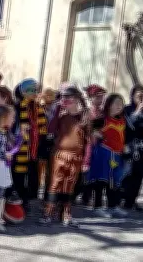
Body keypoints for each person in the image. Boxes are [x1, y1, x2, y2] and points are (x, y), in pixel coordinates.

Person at [39, 85, 92, 227]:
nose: (65, 100)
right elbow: (51, 130)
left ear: (76, 99)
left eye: (68, 98)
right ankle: (48, 212)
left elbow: (88, 141)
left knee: (69, 184)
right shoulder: (61, 114)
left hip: (76, 156)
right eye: (62, 97)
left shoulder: (85, 116)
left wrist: (86, 160)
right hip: (60, 154)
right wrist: (57, 111)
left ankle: (66, 213)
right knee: (55, 183)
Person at [86, 93, 127, 218]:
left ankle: (113, 206)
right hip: (104, 154)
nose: (119, 106)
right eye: (116, 103)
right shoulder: (102, 120)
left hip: (117, 156)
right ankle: (97, 206)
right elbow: (88, 128)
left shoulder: (123, 121)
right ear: (108, 105)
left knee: (114, 182)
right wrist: (95, 134)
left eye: (121, 104)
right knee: (101, 181)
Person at [12, 78, 47, 209]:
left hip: (34, 147)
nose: (34, 93)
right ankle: (19, 198)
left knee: (32, 174)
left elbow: (43, 127)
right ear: (23, 91)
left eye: (36, 90)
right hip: (19, 147)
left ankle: (27, 198)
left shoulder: (38, 107)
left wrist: (41, 144)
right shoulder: (16, 106)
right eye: (31, 90)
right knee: (19, 174)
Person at [121, 84, 143, 212]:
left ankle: (131, 200)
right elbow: (129, 126)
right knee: (126, 175)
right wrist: (138, 111)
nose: (141, 98)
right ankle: (121, 199)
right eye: (138, 96)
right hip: (128, 148)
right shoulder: (127, 110)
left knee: (138, 176)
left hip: (142, 149)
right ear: (132, 96)